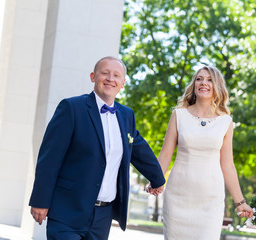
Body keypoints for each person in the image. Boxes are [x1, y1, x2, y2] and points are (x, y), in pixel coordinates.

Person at [29, 56, 165, 240]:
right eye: (105, 73)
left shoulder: (126, 115)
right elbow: (49, 158)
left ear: (123, 83)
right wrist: (40, 200)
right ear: (93, 76)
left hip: (103, 217)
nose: (110, 78)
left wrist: (158, 179)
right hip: (67, 211)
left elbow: (139, 149)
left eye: (116, 75)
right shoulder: (71, 108)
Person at [148, 65, 253, 239]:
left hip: (210, 201)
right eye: (199, 79)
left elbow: (227, 165)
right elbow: (166, 154)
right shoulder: (179, 115)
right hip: (178, 197)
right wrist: (155, 180)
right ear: (194, 84)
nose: (204, 83)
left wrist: (240, 202)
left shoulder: (226, 122)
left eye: (209, 79)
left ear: (217, 86)